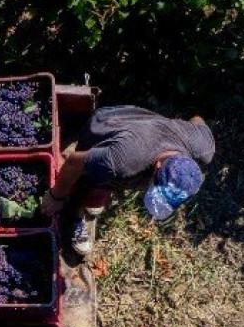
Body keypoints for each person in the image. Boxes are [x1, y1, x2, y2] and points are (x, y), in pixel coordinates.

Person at [42, 106, 215, 256]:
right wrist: (55, 196)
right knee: (93, 179)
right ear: (159, 164)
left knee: (110, 176)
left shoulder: (203, 148)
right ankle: (77, 213)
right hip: (103, 124)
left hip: (138, 123)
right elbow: (74, 162)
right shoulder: (123, 161)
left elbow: (197, 119)